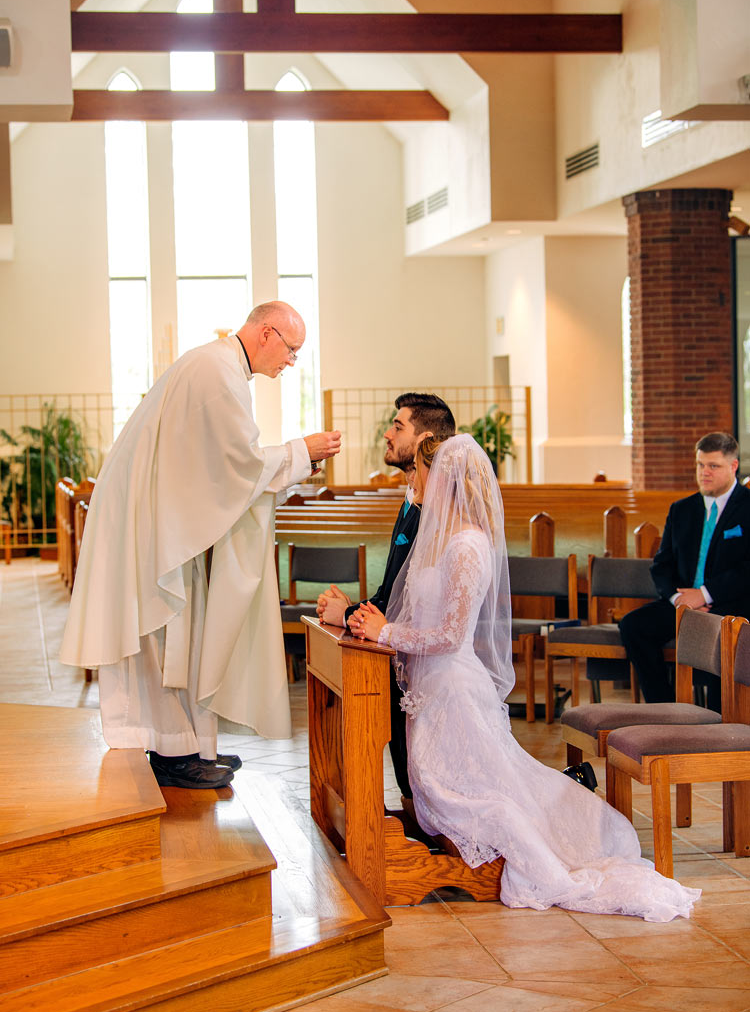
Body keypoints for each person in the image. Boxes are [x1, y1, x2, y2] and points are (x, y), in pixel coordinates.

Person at [350, 434, 700, 921]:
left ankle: (549, 850)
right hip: (433, 691)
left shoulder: (468, 545)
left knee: (456, 791)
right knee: (433, 787)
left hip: (454, 690)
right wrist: (376, 624)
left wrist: (385, 631)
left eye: (419, 472)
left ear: (445, 478)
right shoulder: (438, 539)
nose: (412, 480)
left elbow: (452, 636)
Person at [60, 301, 341, 789]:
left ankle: (186, 745)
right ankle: (172, 752)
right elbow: (238, 464)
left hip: (162, 519)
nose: (290, 362)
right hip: (152, 525)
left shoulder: (220, 367)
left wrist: (295, 462)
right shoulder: (217, 371)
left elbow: (223, 465)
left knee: (174, 635)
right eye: (291, 350)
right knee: (165, 631)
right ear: (267, 333)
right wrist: (301, 451)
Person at [316, 393, 456, 800]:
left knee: (430, 779)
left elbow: (416, 605)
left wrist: (348, 615)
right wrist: (349, 612)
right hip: (403, 659)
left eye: (398, 426)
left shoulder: (441, 512)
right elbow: (392, 592)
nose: (387, 433)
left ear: (425, 438)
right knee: (412, 777)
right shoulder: (413, 498)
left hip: (431, 669)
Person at [620, 432, 750, 711]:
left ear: (733, 466)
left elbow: (747, 569)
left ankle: (720, 722)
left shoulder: (748, 507)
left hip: (732, 605)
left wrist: (703, 595)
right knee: (633, 626)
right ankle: (665, 709)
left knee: (719, 635)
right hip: (682, 604)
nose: (704, 473)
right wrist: (678, 600)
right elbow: (662, 565)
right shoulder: (682, 509)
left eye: (713, 466)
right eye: (700, 465)